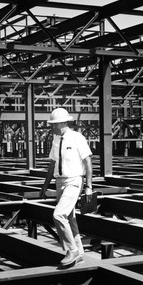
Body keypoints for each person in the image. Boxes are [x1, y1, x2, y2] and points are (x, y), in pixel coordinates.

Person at [40, 107, 93, 268]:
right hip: (59, 182)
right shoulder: (56, 140)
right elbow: (52, 164)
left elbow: (88, 162)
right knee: (69, 218)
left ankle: (72, 250)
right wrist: (44, 186)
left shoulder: (77, 137)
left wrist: (89, 186)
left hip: (73, 181)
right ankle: (80, 253)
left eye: (54, 124)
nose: (52, 127)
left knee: (58, 215)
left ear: (63, 123)